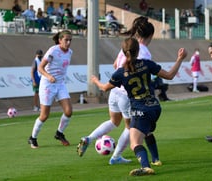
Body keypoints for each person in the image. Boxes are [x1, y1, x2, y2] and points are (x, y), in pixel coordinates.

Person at [91, 37, 187, 176]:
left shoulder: (120, 72)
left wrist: (95, 81)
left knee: (134, 143)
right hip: (155, 107)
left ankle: (145, 167)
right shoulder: (147, 64)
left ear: (124, 53)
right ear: (138, 51)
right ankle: (155, 159)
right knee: (146, 131)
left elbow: (105, 88)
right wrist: (180, 58)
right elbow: (170, 75)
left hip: (140, 109)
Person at [77, 16, 161, 166]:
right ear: (150, 35)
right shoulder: (144, 52)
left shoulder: (127, 47)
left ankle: (89, 138)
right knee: (130, 127)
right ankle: (116, 156)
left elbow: (116, 65)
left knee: (114, 122)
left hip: (114, 92)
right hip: (129, 96)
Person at [28, 30, 73, 149]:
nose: (68, 42)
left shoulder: (70, 52)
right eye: (66, 40)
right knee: (44, 115)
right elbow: (40, 68)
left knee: (68, 111)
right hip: (48, 84)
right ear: (60, 40)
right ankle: (32, 138)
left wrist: (58, 79)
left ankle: (59, 133)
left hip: (60, 84)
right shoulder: (53, 50)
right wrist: (49, 76)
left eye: (70, 40)